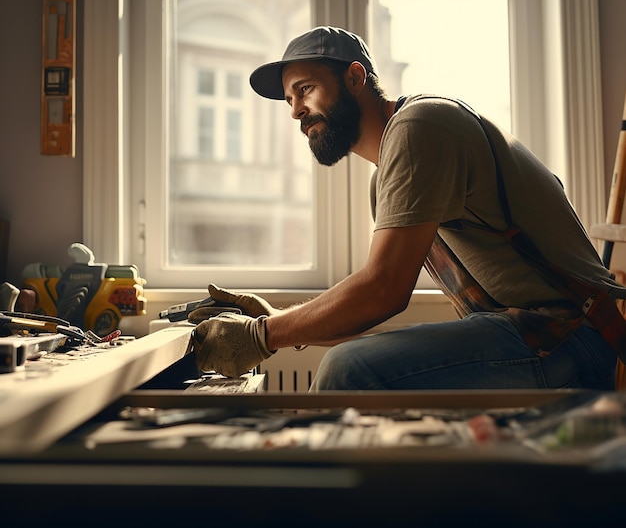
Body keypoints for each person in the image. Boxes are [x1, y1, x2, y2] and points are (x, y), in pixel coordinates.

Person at [190, 25, 626, 391]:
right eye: (289, 99)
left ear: (355, 79)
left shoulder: (421, 127)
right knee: (360, 366)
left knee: (350, 369)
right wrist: (279, 324)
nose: (295, 112)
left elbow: (384, 290)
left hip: (572, 336)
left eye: (305, 90)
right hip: (532, 335)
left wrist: (262, 336)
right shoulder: (385, 178)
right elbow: (371, 305)